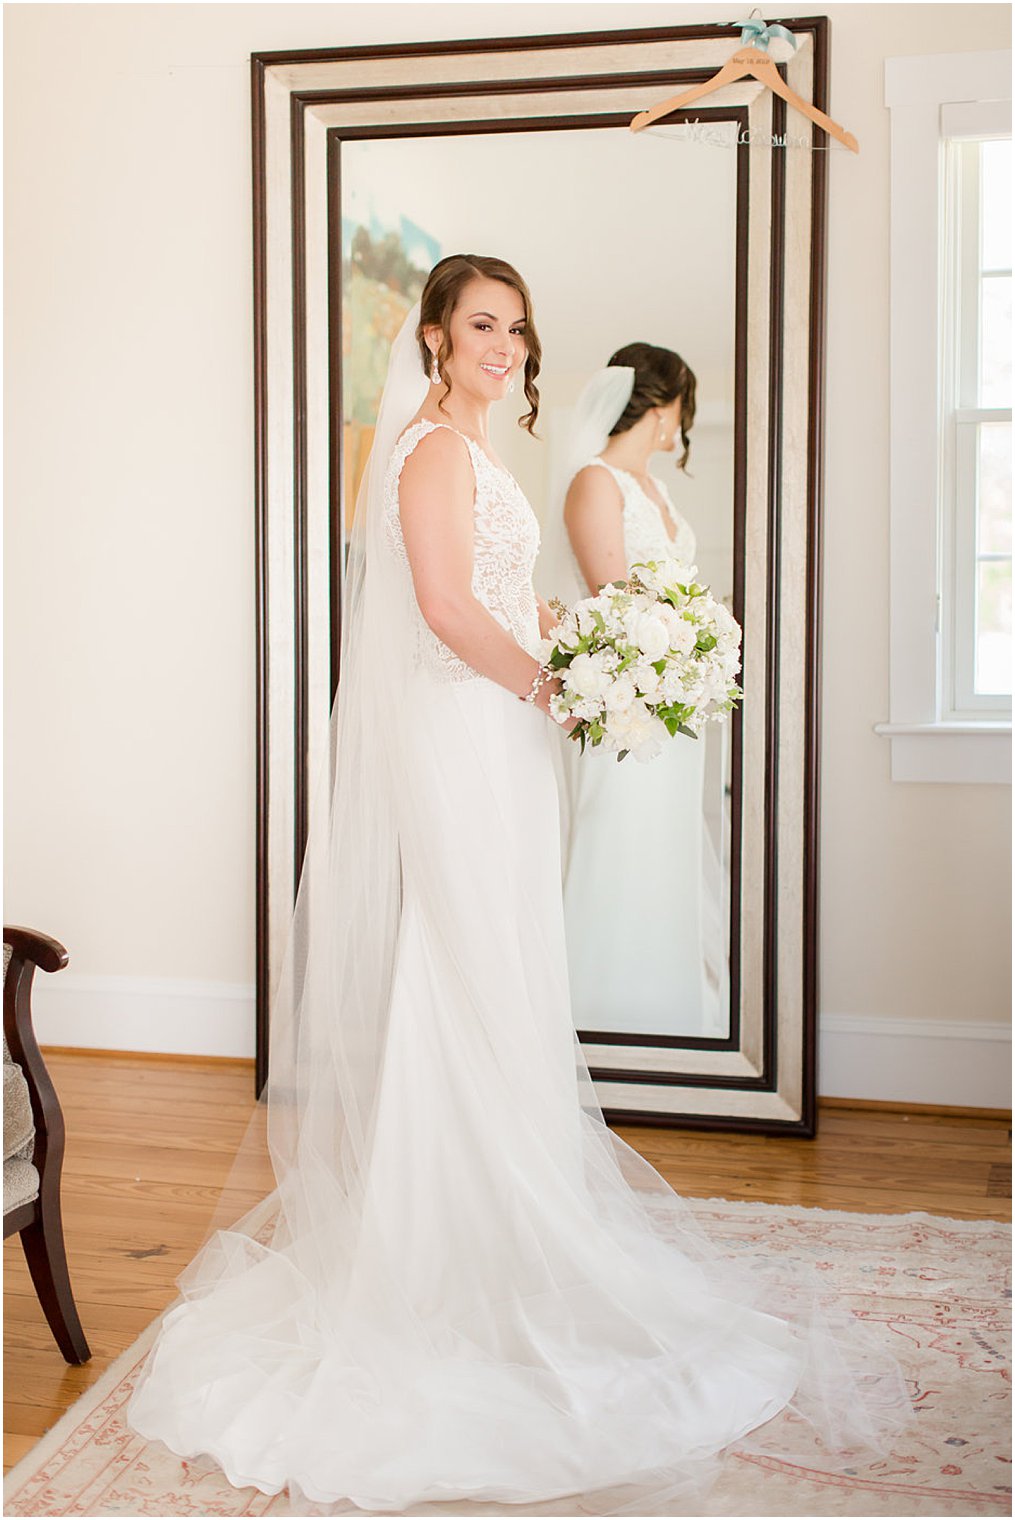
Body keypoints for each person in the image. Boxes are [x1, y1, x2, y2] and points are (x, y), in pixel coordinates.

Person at [125, 255, 912, 1516]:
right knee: (471, 964)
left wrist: (583, 643)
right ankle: (458, 1243)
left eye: (517, 325)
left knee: (497, 965)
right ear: (433, 338)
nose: (505, 342)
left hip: (497, 728)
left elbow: (498, 594)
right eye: (480, 324)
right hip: (462, 732)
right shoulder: (433, 450)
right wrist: (553, 683)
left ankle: (483, 1221)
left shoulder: (476, 453)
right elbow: (441, 606)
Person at [537, 348, 729, 1039]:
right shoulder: (596, 482)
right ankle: (602, 1016)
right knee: (621, 848)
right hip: (629, 707)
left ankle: (669, 1015)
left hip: (675, 703)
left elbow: (673, 590)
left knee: (669, 852)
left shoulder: (654, 484)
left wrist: (706, 638)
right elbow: (612, 602)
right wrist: (682, 639)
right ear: (667, 402)